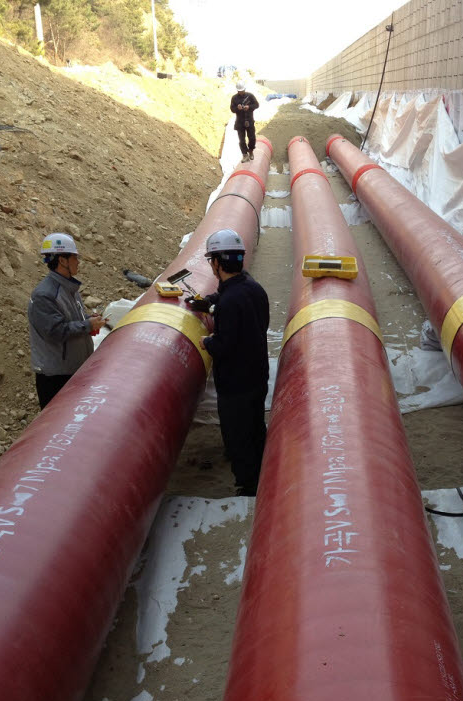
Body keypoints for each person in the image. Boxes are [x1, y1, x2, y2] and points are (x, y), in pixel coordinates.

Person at [190, 229, 269, 495]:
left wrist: (206, 342)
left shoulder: (230, 302)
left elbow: (222, 346)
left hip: (235, 384)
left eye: (211, 260)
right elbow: (232, 303)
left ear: (216, 263)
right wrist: (208, 303)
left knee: (238, 437)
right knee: (256, 427)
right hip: (257, 376)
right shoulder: (253, 289)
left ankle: (248, 486)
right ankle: (263, 472)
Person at [27, 233, 104, 408]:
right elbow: (56, 331)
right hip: (56, 377)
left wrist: (88, 322)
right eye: (75, 257)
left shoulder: (69, 288)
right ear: (62, 260)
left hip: (73, 369)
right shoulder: (44, 295)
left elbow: (73, 319)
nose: (78, 261)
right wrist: (86, 325)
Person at [230, 81, 259, 163]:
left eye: (242, 91)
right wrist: (237, 108)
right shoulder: (234, 98)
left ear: (244, 89)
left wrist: (249, 107)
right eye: (239, 91)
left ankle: (251, 151)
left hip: (249, 120)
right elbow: (232, 109)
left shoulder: (250, 96)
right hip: (240, 122)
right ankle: (245, 155)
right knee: (242, 140)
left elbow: (256, 105)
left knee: (252, 138)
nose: (241, 92)